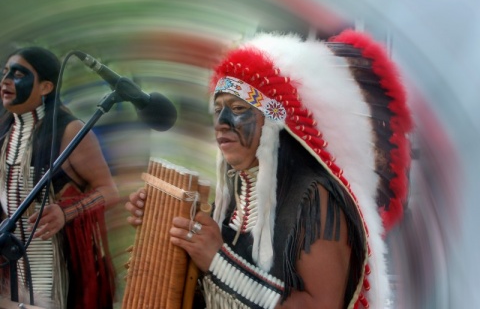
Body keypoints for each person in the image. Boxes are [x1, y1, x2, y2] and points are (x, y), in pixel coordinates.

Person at [126, 29, 412, 309]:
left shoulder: (315, 197)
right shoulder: (238, 188)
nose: (222, 122)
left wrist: (218, 262)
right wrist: (164, 224)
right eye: (218, 109)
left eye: (238, 109)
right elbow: (208, 271)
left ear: (274, 123)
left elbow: (323, 304)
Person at [0, 47, 118, 309]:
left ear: (45, 87)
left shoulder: (69, 131)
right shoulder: (5, 133)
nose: (6, 80)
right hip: (10, 269)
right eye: (5, 72)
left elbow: (109, 190)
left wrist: (67, 212)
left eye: (18, 74)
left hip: (56, 271)